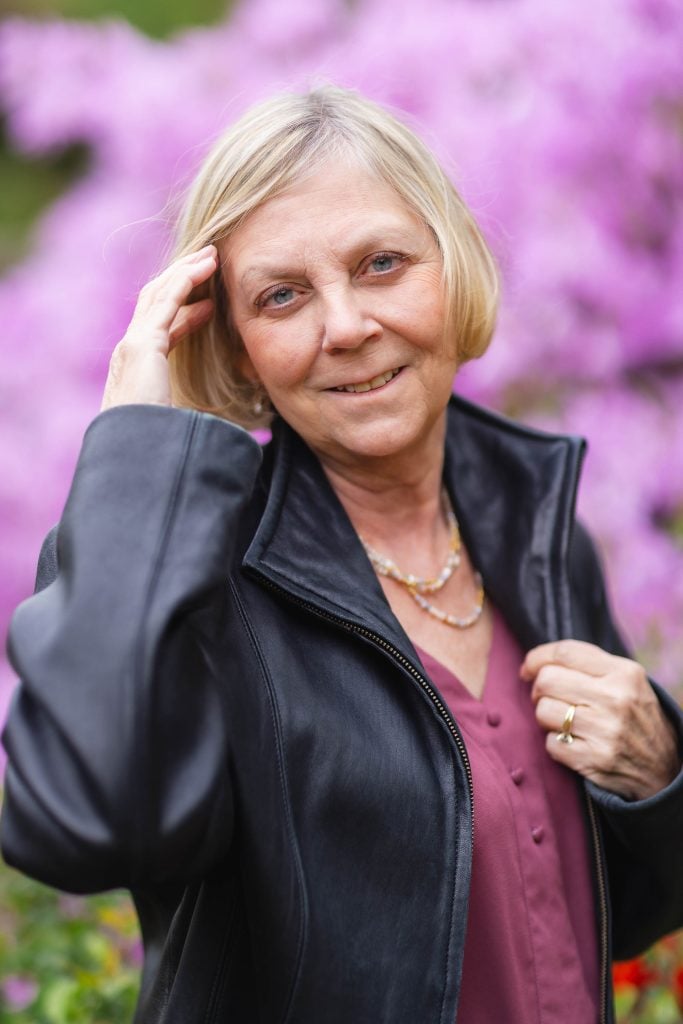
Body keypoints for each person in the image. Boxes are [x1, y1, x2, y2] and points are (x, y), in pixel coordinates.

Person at [1, 85, 682, 1024]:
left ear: (453, 269)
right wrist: (134, 445)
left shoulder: (534, 528)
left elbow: (584, 919)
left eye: (381, 264)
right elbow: (80, 824)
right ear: (236, 349)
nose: (346, 326)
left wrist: (657, 777)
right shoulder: (196, 581)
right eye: (282, 295)